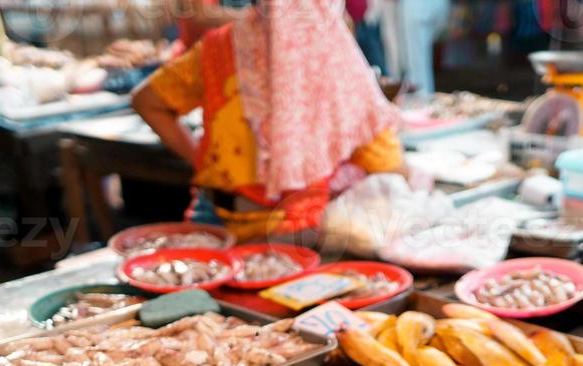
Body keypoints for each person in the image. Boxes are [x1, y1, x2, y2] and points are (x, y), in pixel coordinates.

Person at [132, 0, 404, 241]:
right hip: (296, 237)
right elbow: (388, 164)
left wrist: (203, 162)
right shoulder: (333, 58)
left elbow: (147, 101)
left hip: (216, 226)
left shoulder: (220, 47)